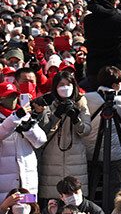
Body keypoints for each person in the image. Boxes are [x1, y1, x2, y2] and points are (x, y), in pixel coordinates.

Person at [83, 66, 121, 212]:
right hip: (115, 155)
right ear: (115, 85)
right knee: (115, 190)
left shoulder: (86, 98)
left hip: (90, 152)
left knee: (90, 188)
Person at [37, 72, 92, 200]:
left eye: (68, 84)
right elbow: (43, 132)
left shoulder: (81, 102)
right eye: (61, 84)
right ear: (55, 87)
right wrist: (56, 116)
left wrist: (75, 119)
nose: (65, 87)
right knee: (52, 198)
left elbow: (86, 130)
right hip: (51, 156)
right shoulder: (48, 102)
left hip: (75, 157)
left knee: (74, 198)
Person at [0, 81, 47, 202]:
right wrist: (15, 118)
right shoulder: (17, 116)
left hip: (27, 179)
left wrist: (28, 128)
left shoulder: (25, 115)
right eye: (8, 97)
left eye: (14, 97)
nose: (12, 100)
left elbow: (41, 141)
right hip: (5, 184)